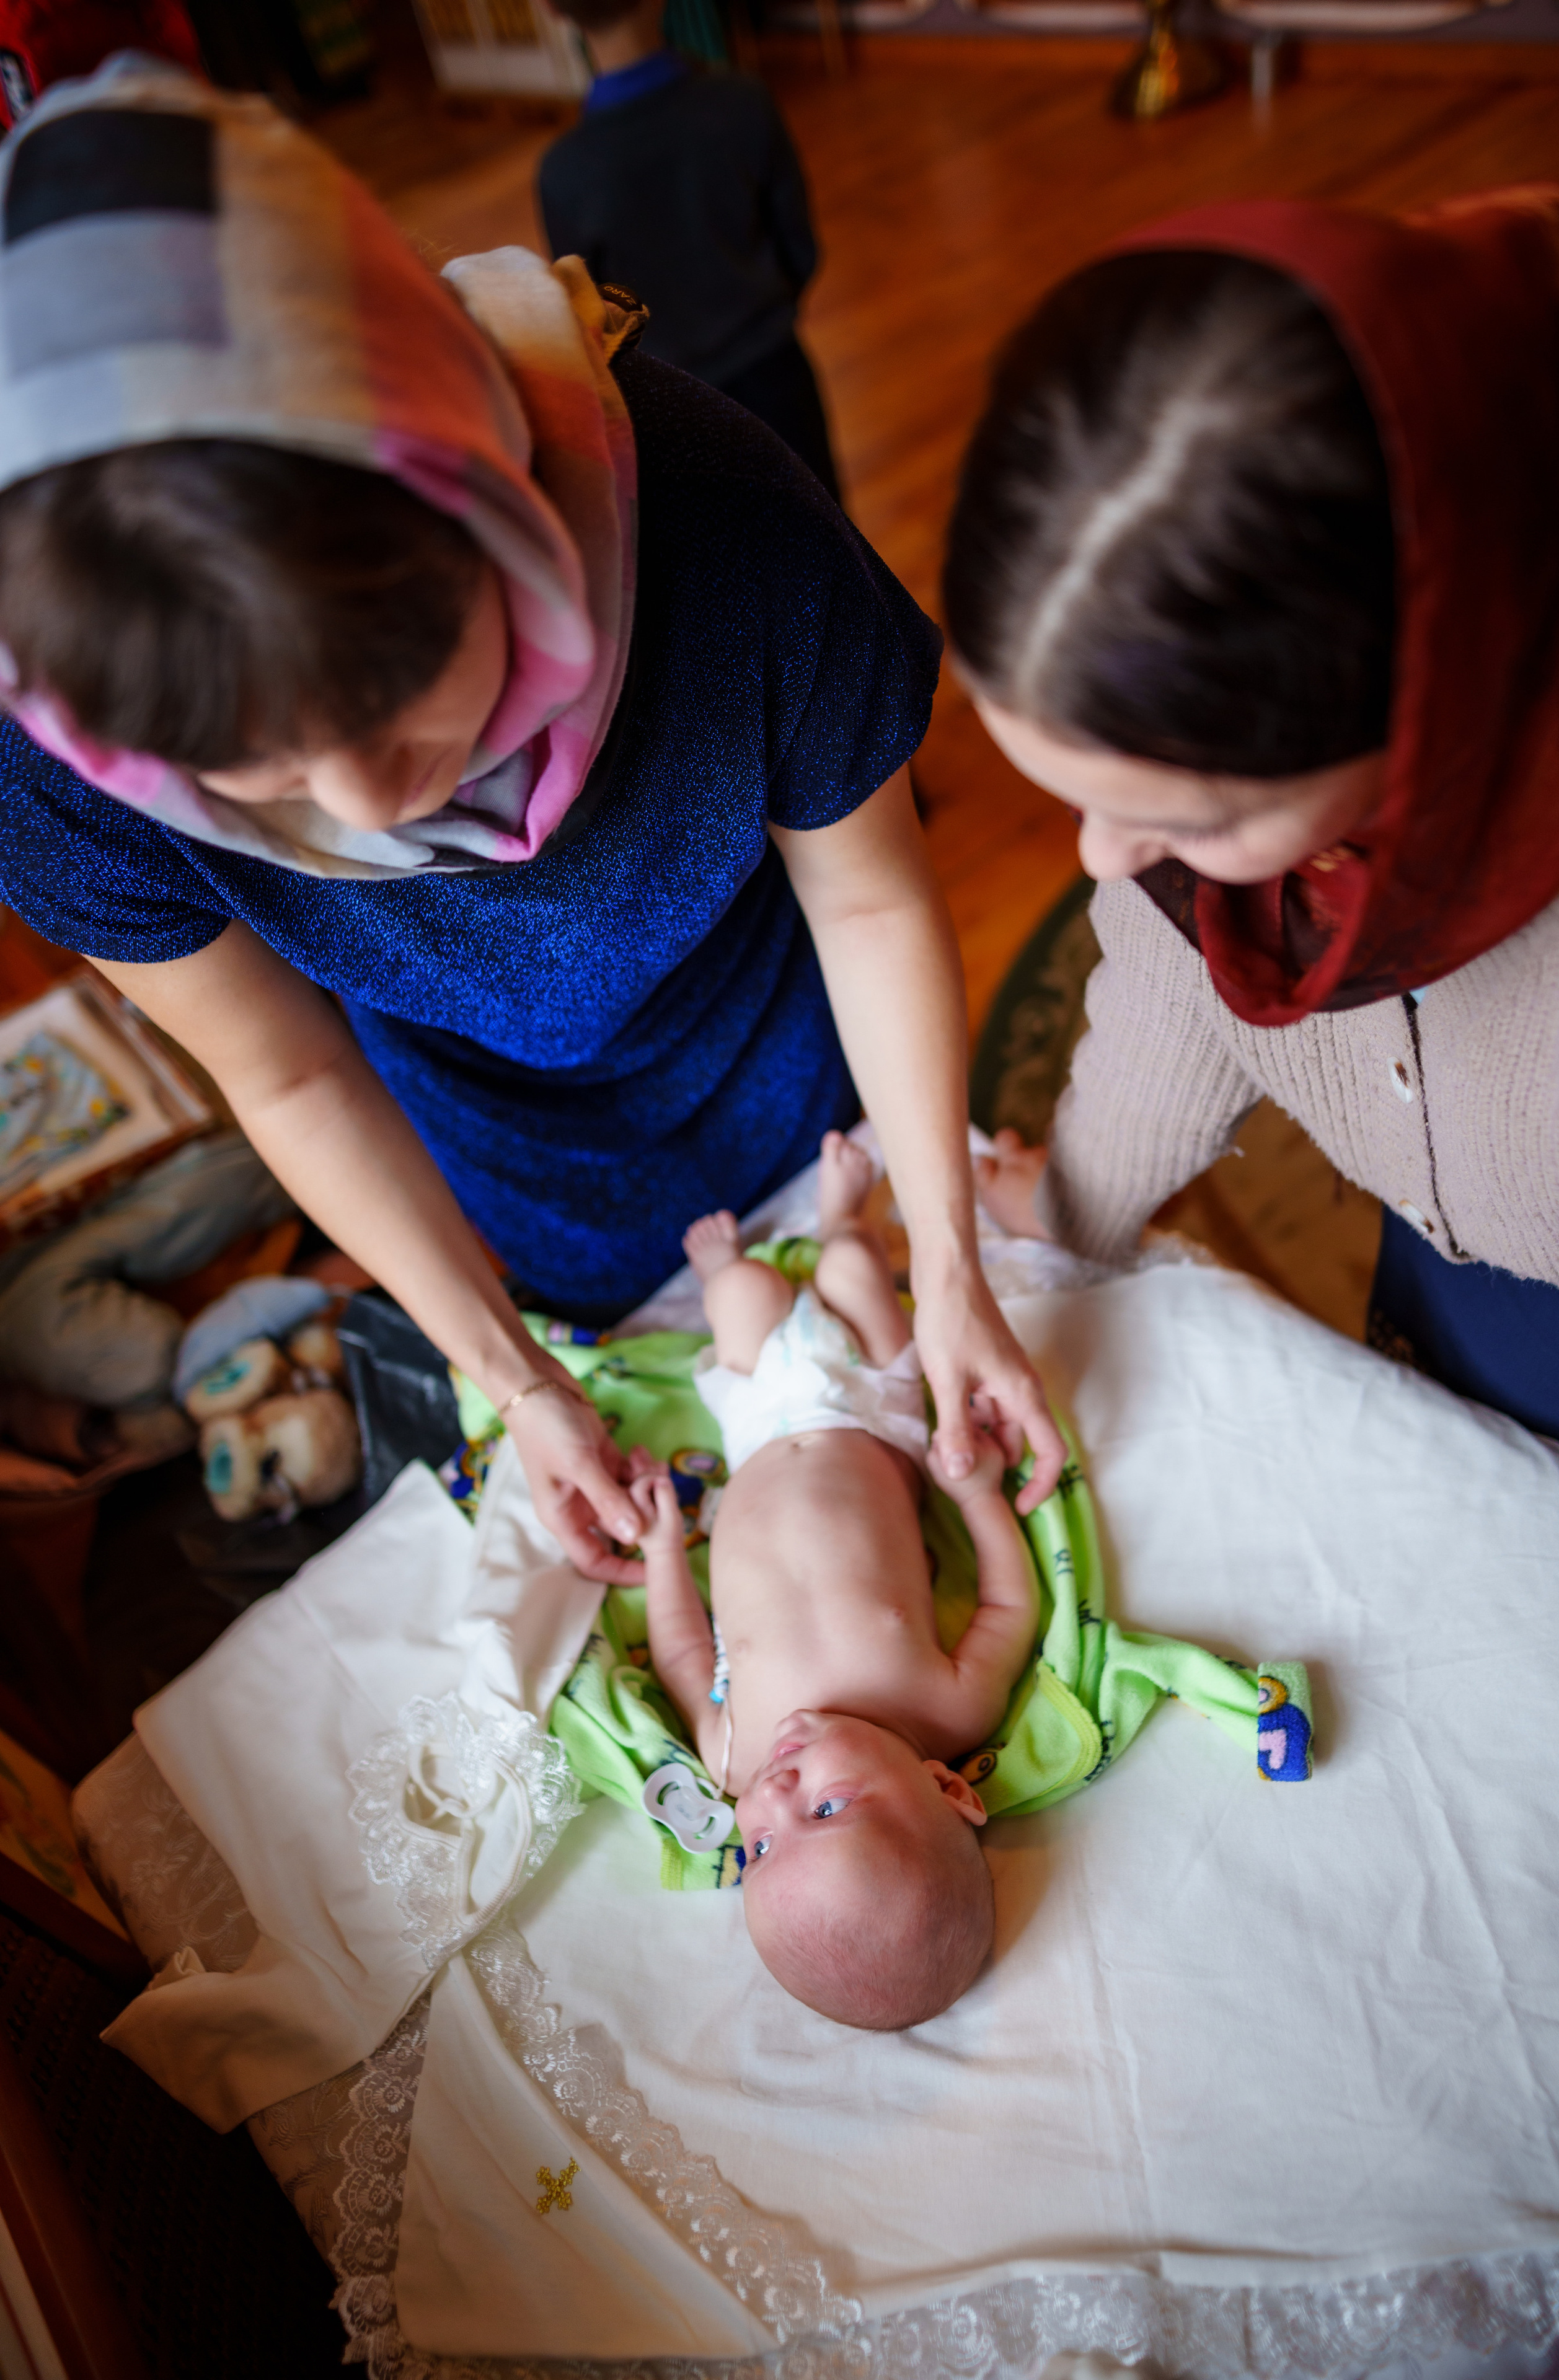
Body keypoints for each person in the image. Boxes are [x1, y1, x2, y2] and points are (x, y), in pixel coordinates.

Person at [0, 58, 1061, 1582]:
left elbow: (874, 902)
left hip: (789, 1027)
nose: (379, 805)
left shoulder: (718, 515)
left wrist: (949, 1268)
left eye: (407, 698)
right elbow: (286, 1070)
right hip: (487, 1138)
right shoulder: (54, 765)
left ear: (492, 498)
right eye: (261, 780)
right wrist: (515, 1379)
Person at [946, 189, 1559, 1458]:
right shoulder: (1224, 835)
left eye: (1176, 818)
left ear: (1428, 714)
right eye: (1076, 796)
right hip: (1446, 1294)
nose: (1098, 859)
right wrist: (1054, 1235)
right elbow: (1174, 1005)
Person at [629, 1132, 1038, 2029]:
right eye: (828, 1807)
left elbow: (681, 1650)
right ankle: (841, 1215)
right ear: (947, 1789)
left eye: (765, 1847)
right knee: (857, 1268)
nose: (774, 1798)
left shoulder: (733, 1759)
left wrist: (664, 1552)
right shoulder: (948, 1709)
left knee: (738, 1295)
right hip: (878, 1419)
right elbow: (1013, 1600)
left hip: (759, 1427)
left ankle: (742, 1261)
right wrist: (975, 1496)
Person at [537, 0, 841, 500]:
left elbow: (595, 318)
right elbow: (799, 249)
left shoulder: (564, 174)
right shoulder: (744, 105)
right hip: (777, 380)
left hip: (670, 414)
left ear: (552, 10)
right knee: (835, 555)